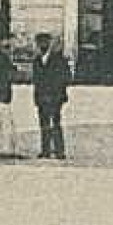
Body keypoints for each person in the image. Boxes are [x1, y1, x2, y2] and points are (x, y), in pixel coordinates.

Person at [32, 32, 72, 160]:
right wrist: (37, 97)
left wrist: (58, 92)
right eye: (39, 44)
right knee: (43, 123)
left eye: (44, 43)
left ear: (49, 44)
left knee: (55, 122)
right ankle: (46, 150)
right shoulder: (37, 61)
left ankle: (59, 151)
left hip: (55, 97)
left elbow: (66, 77)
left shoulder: (58, 59)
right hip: (42, 97)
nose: (41, 46)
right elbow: (36, 81)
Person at [0, 33, 21, 159]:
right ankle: (7, 148)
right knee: (6, 121)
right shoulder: (2, 57)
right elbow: (6, 75)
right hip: (1, 92)